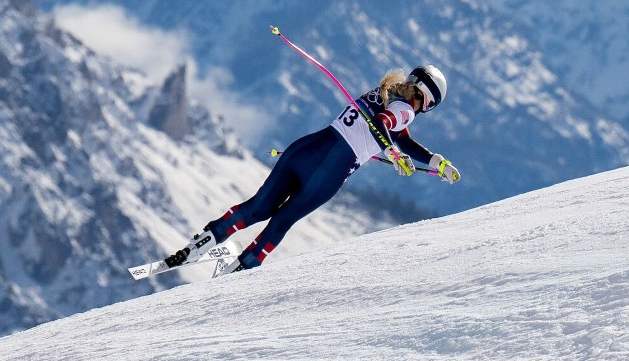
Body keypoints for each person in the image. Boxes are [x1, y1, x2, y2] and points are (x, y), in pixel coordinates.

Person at [166, 65, 461, 274]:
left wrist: (436, 161)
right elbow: (385, 124)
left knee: (257, 207)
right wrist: (393, 153)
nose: (423, 111)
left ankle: (204, 241)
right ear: (426, 98)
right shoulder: (406, 110)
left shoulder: (383, 92)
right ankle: (243, 268)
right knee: (281, 221)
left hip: (306, 149)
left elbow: (401, 137)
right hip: (329, 172)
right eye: (428, 106)